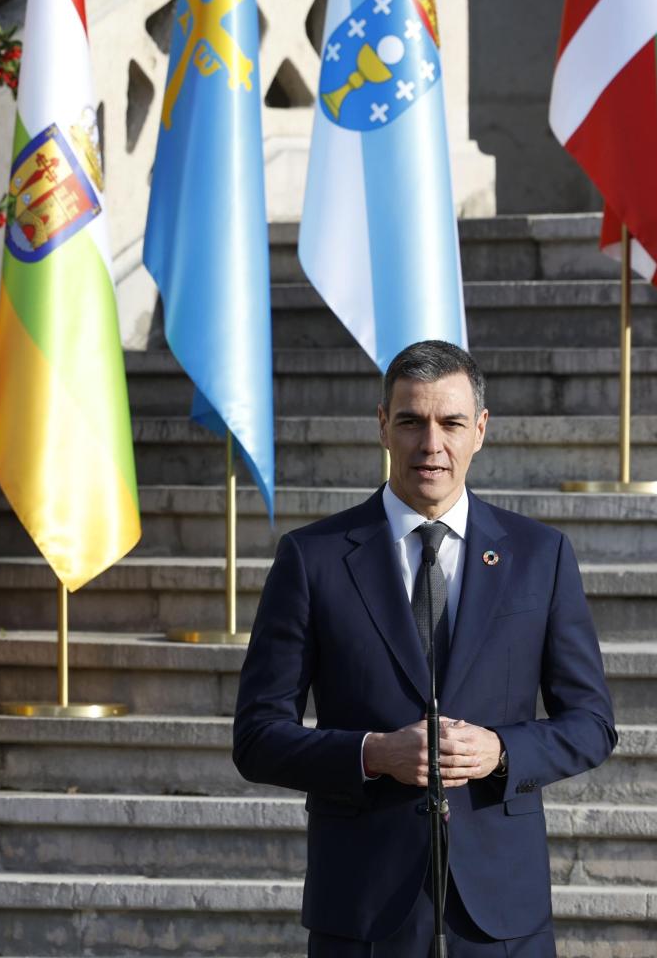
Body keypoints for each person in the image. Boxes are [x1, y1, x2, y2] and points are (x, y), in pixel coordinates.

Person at [233, 340, 617, 957]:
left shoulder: (540, 556)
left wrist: (501, 751)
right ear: (383, 425)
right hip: (362, 906)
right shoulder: (313, 558)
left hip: (501, 913)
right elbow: (255, 735)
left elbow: (593, 724)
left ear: (481, 430)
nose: (431, 443)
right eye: (411, 420)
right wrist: (372, 753)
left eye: (451, 423)